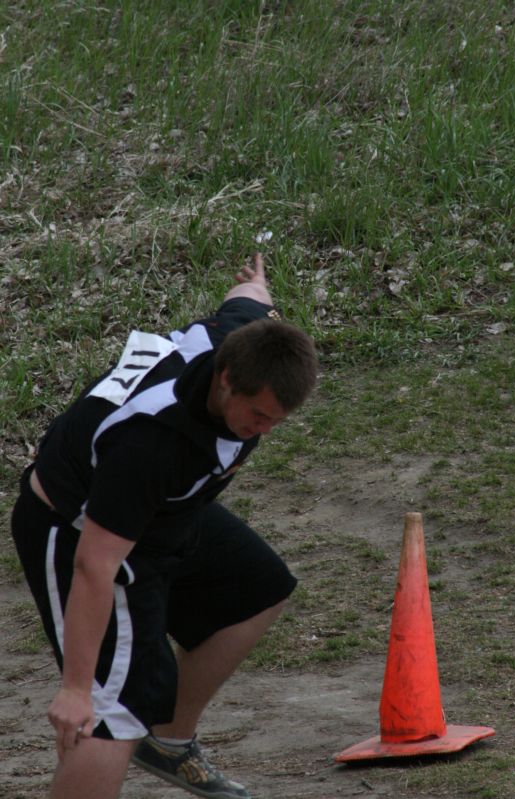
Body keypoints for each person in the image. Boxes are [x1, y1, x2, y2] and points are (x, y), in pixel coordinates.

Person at [11, 253, 317, 799]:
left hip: (163, 515)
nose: (263, 431)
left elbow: (246, 302)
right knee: (111, 716)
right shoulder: (151, 444)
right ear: (226, 380)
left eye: (277, 421)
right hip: (77, 529)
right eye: (258, 416)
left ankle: (167, 742)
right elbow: (94, 564)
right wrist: (79, 689)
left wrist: (257, 283)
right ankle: (127, 727)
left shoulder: (242, 341)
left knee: (258, 588)